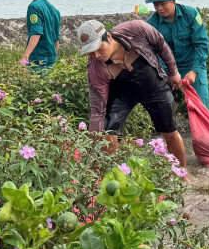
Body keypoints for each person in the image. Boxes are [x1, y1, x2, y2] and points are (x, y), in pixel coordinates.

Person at [78, 18, 189, 173]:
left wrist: (173, 72)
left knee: (169, 130)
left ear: (108, 37)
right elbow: (98, 110)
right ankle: (114, 176)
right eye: (90, 52)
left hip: (154, 87)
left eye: (99, 48)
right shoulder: (95, 68)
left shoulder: (136, 29)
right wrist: (94, 140)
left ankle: (182, 175)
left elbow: (161, 45)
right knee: (108, 131)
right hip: (122, 94)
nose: (96, 55)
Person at [145, 0, 209, 107]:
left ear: (173, 0)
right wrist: (170, 73)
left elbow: (201, 45)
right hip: (166, 69)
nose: (159, 8)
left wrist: (194, 71)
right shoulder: (151, 25)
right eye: (156, 5)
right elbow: (154, 54)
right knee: (162, 107)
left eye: (163, 4)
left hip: (193, 65)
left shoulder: (191, 14)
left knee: (201, 105)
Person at [21, 0, 61, 70]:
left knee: (35, 82)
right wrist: (54, 55)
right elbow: (57, 37)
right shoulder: (55, 11)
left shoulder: (33, 7)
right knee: (49, 83)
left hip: (38, 57)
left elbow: (36, 32)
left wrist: (25, 56)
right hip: (52, 57)